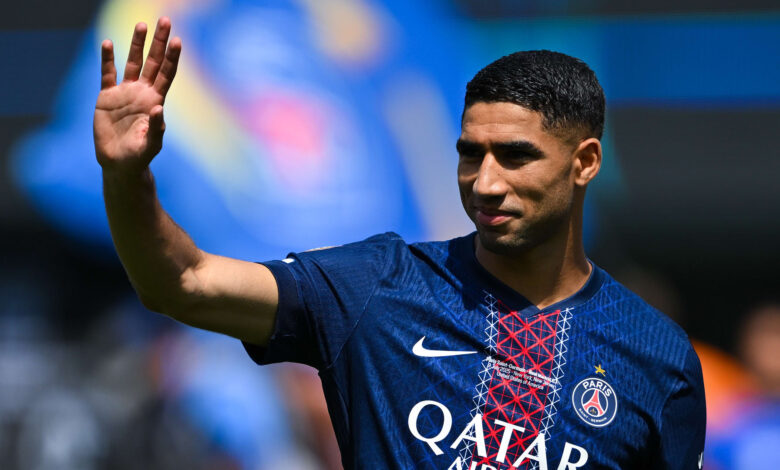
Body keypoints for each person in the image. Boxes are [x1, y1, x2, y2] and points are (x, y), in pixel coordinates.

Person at [94, 17, 706, 470]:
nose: (486, 183)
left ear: (585, 162)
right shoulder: (378, 286)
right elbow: (183, 282)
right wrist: (126, 176)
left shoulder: (657, 356)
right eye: (471, 155)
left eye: (516, 156)